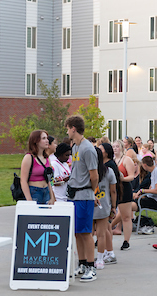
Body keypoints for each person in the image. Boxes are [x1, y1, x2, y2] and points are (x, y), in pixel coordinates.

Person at [65, 115, 99, 282]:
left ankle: (92, 267)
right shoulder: (75, 147)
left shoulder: (87, 149)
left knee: (86, 233)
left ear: (73, 129)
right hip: (74, 195)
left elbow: (94, 176)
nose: (67, 131)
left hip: (84, 196)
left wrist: (93, 192)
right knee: (78, 232)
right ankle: (83, 263)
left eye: (67, 128)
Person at [93, 148, 117, 270]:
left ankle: (87, 258)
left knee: (88, 234)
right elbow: (113, 190)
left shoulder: (87, 171)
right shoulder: (109, 171)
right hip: (104, 205)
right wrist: (113, 206)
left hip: (89, 205)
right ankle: (100, 259)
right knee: (101, 235)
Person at [111, 140, 137, 250]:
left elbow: (132, 176)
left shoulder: (127, 160)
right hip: (112, 188)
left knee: (126, 216)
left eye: (117, 146)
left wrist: (122, 179)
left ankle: (126, 241)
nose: (115, 148)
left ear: (122, 148)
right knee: (110, 214)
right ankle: (103, 237)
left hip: (124, 188)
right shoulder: (111, 160)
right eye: (113, 146)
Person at [20, 130, 56, 205]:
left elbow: (48, 179)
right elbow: (23, 181)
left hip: (46, 191)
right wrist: (29, 200)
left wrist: (52, 197)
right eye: (43, 138)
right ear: (36, 141)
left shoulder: (46, 158)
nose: (47, 141)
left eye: (47, 138)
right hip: (34, 191)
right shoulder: (29, 157)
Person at [132, 155, 157, 235]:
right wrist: (144, 193)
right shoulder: (153, 172)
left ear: (144, 165)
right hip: (151, 198)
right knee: (129, 203)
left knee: (129, 205)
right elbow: (152, 189)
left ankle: (114, 225)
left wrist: (142, 190)